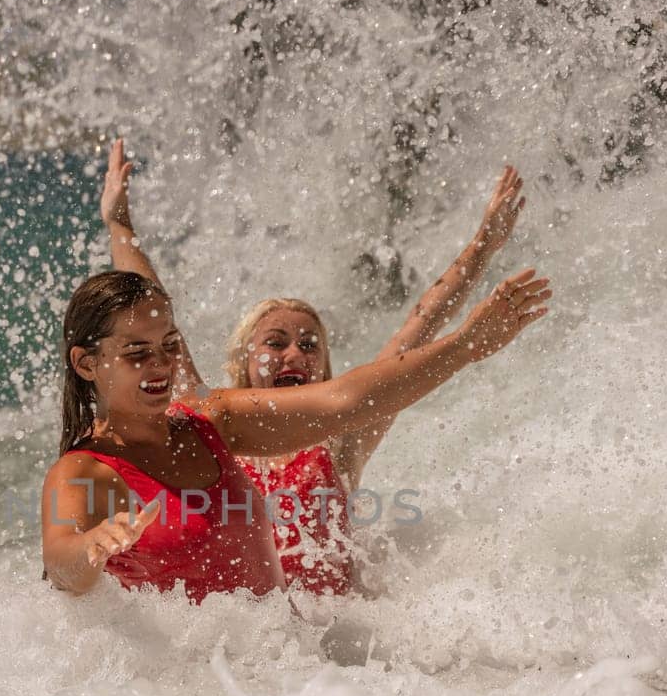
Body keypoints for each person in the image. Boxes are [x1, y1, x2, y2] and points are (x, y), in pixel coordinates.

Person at [99, 137, 526, 593]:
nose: (294, 354)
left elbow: (419, 327)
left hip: (329, 654)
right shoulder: (211, 426)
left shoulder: (341, 436)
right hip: (248, 643)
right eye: (275, 342)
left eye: (309, 345)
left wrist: (484, 245)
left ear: (324, 371)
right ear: (242, 363)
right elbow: (152, 311)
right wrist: (118, 224)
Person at [41, 253, 551, 602]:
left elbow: (349, 398)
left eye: (170, 346)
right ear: (87, 364)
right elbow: (61, 564)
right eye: (137, 353)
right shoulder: (85, 472)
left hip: (288, 691)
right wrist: (92, 548)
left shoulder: (212, 422)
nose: (161, 366)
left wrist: (465, 347)